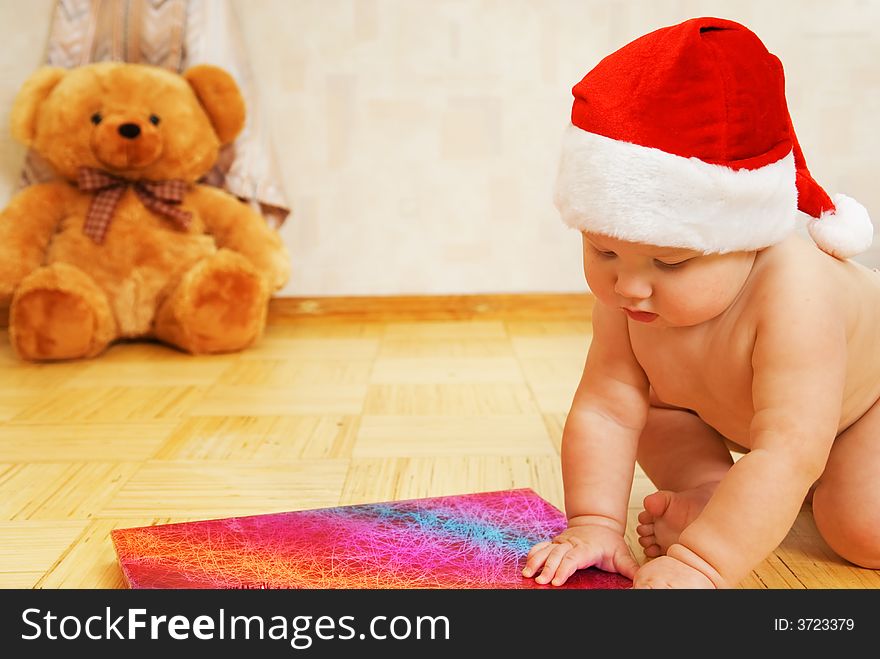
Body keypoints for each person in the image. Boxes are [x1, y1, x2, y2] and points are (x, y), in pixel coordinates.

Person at [521, 17, 878, 588]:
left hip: (860, 412)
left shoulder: (796, 293)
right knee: (652, 411)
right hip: (734, 411)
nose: (630, 287)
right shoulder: (629, 291)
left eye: (670, 264)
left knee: (862, 528)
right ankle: (715, 495)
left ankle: (782, 502)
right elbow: (608, 408)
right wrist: (593, 523)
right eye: (602, 251)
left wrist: (701, 564)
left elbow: (788, 446)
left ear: (742, 239)